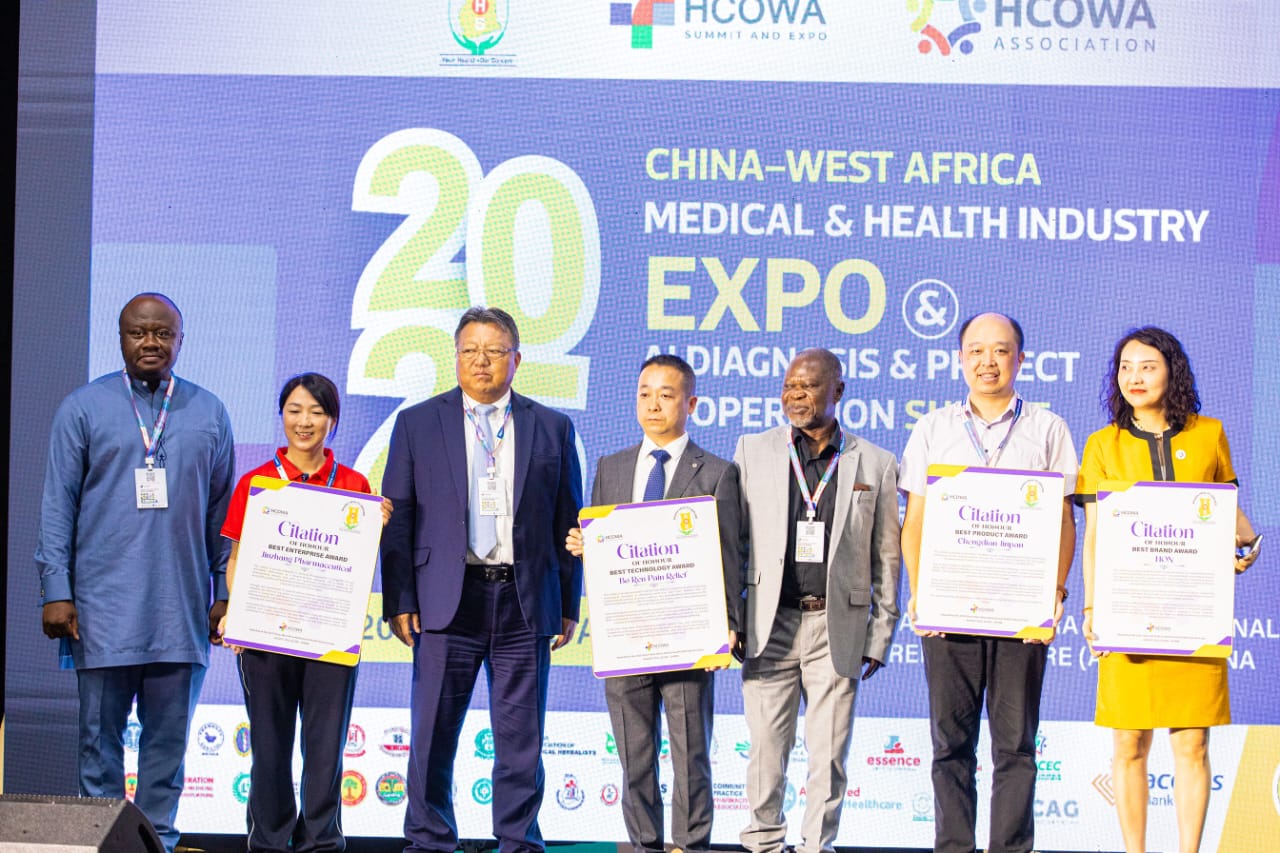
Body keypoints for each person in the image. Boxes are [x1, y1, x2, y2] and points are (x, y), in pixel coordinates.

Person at [35, 292, 235, 852]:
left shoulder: (209, 411)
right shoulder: (82, 407)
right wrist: (56, 589)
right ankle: (100, 846)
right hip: (101, 611)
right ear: (121, 338)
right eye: (138, 332)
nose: (151, 343)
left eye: (163, 333)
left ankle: (157, 845)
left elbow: (223, 515)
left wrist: (225, 592)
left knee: (167, 752)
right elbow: (57, 506)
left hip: (181, 610)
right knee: (99, 748)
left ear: (180, 340)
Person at [379, 306, 584, 853]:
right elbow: (398, 517)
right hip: (447, 599)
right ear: (456, 357)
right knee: (431, 735)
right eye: (470, 350)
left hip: (525, 601)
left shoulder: (552, 426)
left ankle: (518, 842)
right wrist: (399, 597)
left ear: (516, 359)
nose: (481, 362)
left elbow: (568, 520)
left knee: (521, 742)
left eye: (494, 351)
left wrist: (568, 602)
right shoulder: (418, 423)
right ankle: (429, 842)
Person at [898, 312, 1078, 853]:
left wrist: (1056, 593)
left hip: (1022, 612)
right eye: (976, 351)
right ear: (960, 359)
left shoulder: (1048, 428)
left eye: (1000, 350)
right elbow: (915, 521)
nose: (988, 362)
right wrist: (921, 593)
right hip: (949, 610)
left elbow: (1064, 519)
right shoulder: (933, 428)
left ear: (1020, 359)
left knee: (1016, 747)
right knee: (950, 744)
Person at [1077, 326, 1260, 853]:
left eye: (1147, 366)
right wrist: (1091, 608)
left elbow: (1228, 514)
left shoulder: (1209, 434)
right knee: (1129, 744)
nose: (1134, 377)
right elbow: (1094, 536)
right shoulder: (1103, 444)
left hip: (1192, 613)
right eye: (1125, 367)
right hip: (1126, 612)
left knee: (1193, 744)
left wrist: (1247, 546)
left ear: (1171, 371)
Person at [564, 354, 744, 853]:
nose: (653, 404)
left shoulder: (718, 472)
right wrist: (587, 546)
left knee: (691, 756)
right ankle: (644, 845)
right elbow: (607, 547)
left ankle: (691, 846)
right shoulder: (612, 467)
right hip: (626, 636)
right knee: (634, 758)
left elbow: (731, 555)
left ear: (691, 403)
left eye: (666, 395)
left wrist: (729, 624)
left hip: (689, 635)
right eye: (644, 393)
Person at [215, 373, 392, 852]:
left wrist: (376, 525)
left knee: (326, 748)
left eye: (316, 412)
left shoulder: (354, 485)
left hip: (329, 636)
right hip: (265, 635)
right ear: (282, 416)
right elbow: (236, 559)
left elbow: (357, 564)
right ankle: (269, 841)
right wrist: (239, 612)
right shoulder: (256, 483)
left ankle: (321, 843)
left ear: (332, 420)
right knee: (269, 747)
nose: (304, 421)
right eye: (295, 410)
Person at [734, 347, 901, 853]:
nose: (795, 395)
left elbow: (886, 557)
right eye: (789, 386)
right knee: (766, 750)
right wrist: (731, 617)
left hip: (836, 624)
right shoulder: (753, 450)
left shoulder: (876, 462)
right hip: (769, 622)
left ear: (838, 391)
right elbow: (731, 540)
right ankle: (763, 843)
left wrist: (881, 633)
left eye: (807, 386)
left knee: (828, 754)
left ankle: (817, 846)